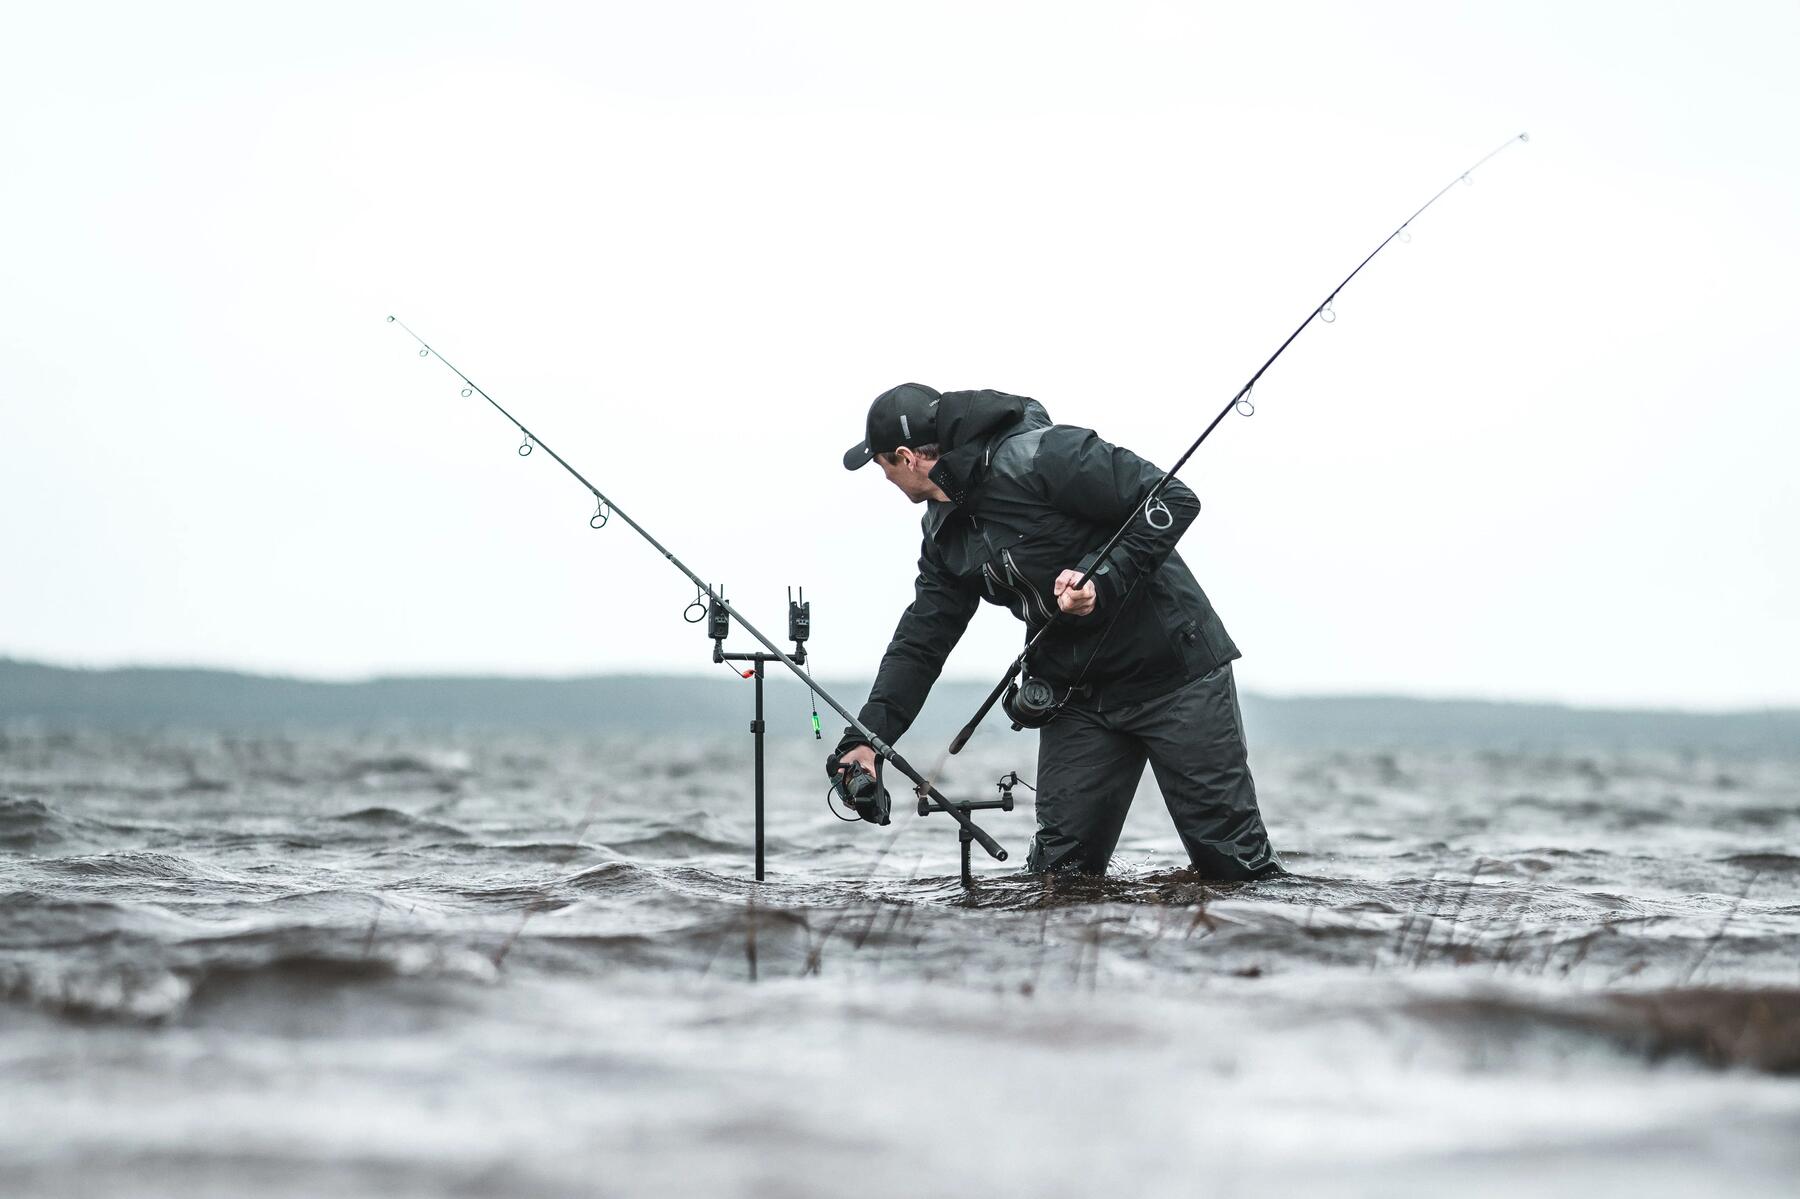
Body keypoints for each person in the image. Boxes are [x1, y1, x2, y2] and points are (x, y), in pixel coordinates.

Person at [830, 382, 1283, 880]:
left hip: (1175, 676)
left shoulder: (1047, 455)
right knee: (1058, 881)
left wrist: (1100, 577)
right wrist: (867, 739)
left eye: (882, 466)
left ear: (906, 457)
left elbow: (1173, 498)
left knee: (1235, 871)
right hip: (1076, 697)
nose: (884, 477)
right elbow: (921, 642)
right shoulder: (943, 533)